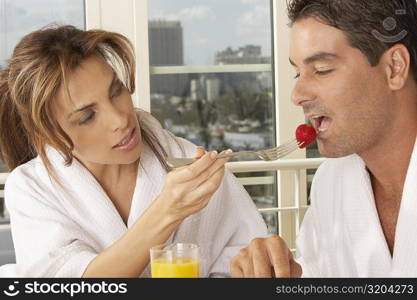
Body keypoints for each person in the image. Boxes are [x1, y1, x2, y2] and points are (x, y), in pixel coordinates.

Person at [0, 25, 268, 277]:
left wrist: (263, 262)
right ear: (50, 134)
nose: (120, 119)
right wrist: (168, 210)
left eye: (116, 91)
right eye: (87, 116)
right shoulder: (32, 188)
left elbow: (245, 253)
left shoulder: (186, 162)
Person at [230, 0, 417, 277]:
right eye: (297, 72)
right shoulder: (332, 181)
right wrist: (283, 276)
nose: (297, 95)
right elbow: (317, 274)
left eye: (321, 70)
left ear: (394, 67)